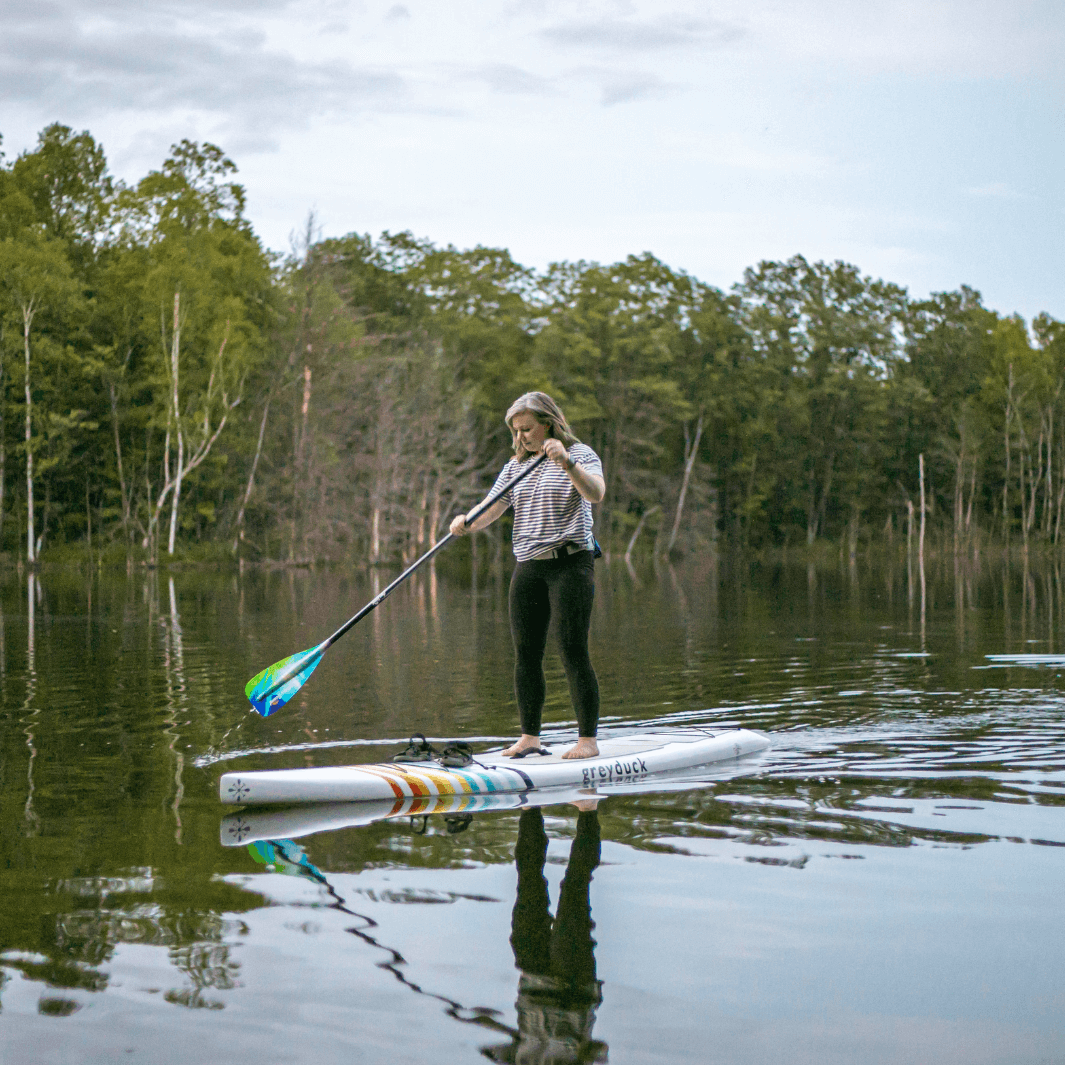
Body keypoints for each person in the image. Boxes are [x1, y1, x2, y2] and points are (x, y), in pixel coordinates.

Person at [450, 392, 605, 760]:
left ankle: (587, 741)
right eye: (516, 430)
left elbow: (596, 493)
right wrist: (467, 522)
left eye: (527, 429)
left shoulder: (580, 454)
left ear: (548, 424)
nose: (520, 437)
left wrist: (566, 462)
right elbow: (491, 507)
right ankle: (529, 738)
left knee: (572, 649)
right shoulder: (515, 467)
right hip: (529, 567)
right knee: (526, 654)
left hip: (570, 563)